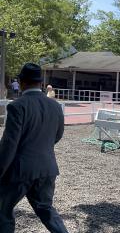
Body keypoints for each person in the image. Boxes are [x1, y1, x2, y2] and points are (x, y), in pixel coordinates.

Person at [0, 63, 68, 232]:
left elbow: (9, 145)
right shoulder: (55, 106)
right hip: (47, 168)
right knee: (46, 210)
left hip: (20, 171)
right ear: (41, 82)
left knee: (3, 211)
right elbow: (58, 135)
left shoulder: (17, 106)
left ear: (21, 82)